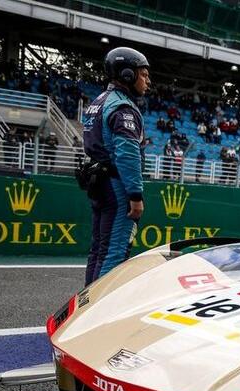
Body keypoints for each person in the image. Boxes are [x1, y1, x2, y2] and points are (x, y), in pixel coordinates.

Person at [81, 46, 151, 285]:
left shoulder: (99, 101)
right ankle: (101, 305)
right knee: (115, 252)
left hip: (98, 182)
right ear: (127, 75)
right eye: (144, 75)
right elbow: (127, 154)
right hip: (116, 186)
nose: (148, 81)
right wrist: (135, 195)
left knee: (99, 250)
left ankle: (87, 300)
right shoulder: (124, 108)